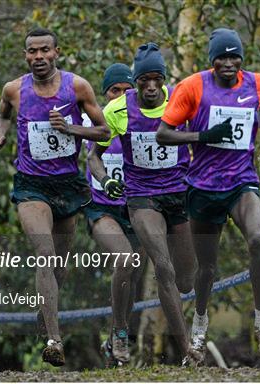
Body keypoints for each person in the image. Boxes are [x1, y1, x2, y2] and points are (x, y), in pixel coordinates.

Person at [0, 27, 110, 367]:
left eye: (44, 50)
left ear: (57, 52)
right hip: (31, 185)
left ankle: (46, 312)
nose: (38, 57)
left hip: (67, 185)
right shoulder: (14, 89)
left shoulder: (77, 87)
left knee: (59, 263)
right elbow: (2, 114)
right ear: (25, 55)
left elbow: (104, 131)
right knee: (44, 251)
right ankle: (55, 340)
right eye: (32, 52)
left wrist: (70, 128)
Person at [156, 28, 260, 363]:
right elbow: (163, 134)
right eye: (221, 58)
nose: (228, 63)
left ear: (241, 58)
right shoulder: (193, 87)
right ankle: (199, 324)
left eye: (234, 56)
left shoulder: (257, 83)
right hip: (203, 188)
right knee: (207, 268)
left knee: (257, 240)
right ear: (212, 61)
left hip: (241, 182)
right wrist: (202, 135)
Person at [88, 42, 198, 365]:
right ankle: (185, 348)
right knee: (161, 266)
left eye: (156, 79)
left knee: (185, 278)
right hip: (139, 198)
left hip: (177, 195)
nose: (150, 87)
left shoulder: (181, 101)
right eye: (143, 81)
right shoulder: (116, 111)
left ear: (163, 80)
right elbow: (93, 156)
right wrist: (106, 179)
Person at [81, 63, 141, 367]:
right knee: (125, 259)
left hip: (137, 209)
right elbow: (88, 158)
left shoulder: (142, 121)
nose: (121, 96)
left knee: (133, 275)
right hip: (101, 208)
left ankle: (117, 339)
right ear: (105, 94)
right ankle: (119, 334)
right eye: (115, 91)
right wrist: (105, 180)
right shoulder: (97, 121)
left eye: (127, 91)